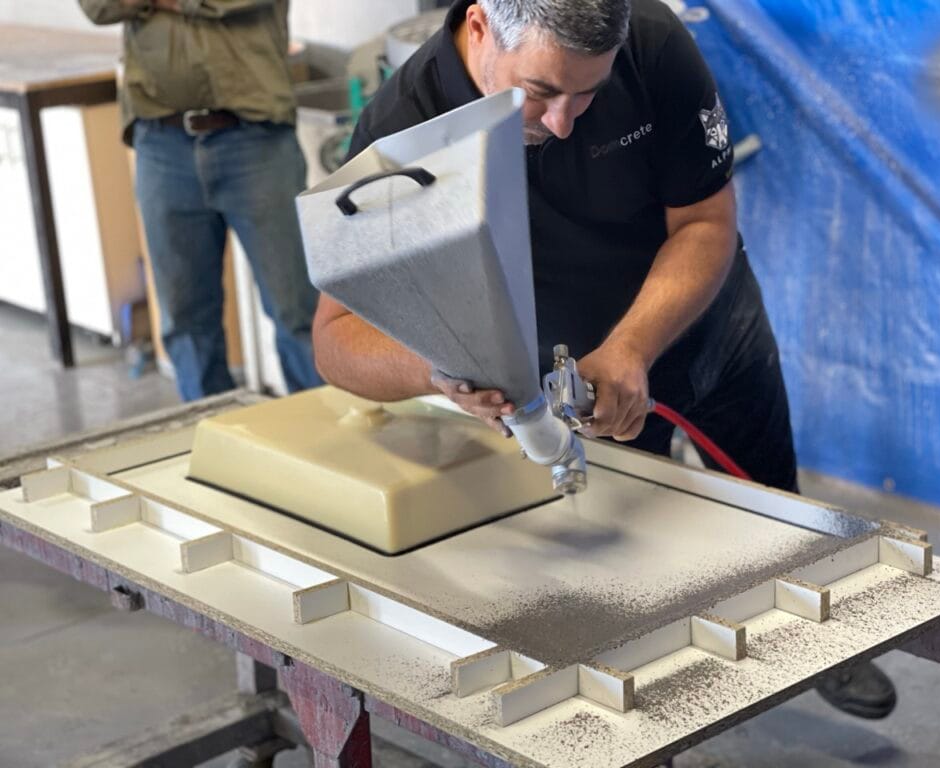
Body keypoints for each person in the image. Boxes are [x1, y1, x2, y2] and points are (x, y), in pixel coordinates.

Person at [311, 0, 896, 720]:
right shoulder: (407, 129)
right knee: (632, 576)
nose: (562, 122)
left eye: (587, 95)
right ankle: (659, 717)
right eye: (542, 92)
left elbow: (707, 220)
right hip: (579, 384)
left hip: (707, 322)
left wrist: (631, 347)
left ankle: (819, 645)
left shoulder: (652, 43)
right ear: (478, 28)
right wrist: (434, 365)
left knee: (777, 512)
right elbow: (335, 336)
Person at [79, 0, 321, 400]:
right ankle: (213, 446)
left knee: (298, 313)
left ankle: (330, 446)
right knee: (186, 322)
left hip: (255, 138)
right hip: (161, 141)